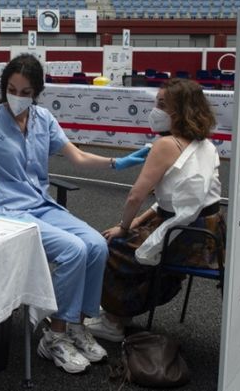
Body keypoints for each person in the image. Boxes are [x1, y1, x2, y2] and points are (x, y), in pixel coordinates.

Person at [0, 54, 150, 374]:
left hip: (41, 205)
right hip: (8, 210)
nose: (18, 97)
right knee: (73, 251)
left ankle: (75, 326)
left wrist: (117, 163)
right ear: (5, 88)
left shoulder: (43, 119)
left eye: (26, 92)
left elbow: (78, 157)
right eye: (12, 89)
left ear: (36, 92)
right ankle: (53, 338)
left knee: (97, 245)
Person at [88, 78, 225, 342]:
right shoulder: (205, 144)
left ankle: (114, 321)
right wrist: (141, 220)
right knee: (130, 242)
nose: (155, 110)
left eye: (162, 105)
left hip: (185, 236)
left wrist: (126, 226)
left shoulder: (165, 145)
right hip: (209, 235)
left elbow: (135, 196)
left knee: (109, 247)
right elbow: (177, 200)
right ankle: (120, 314)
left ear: (181, 110)